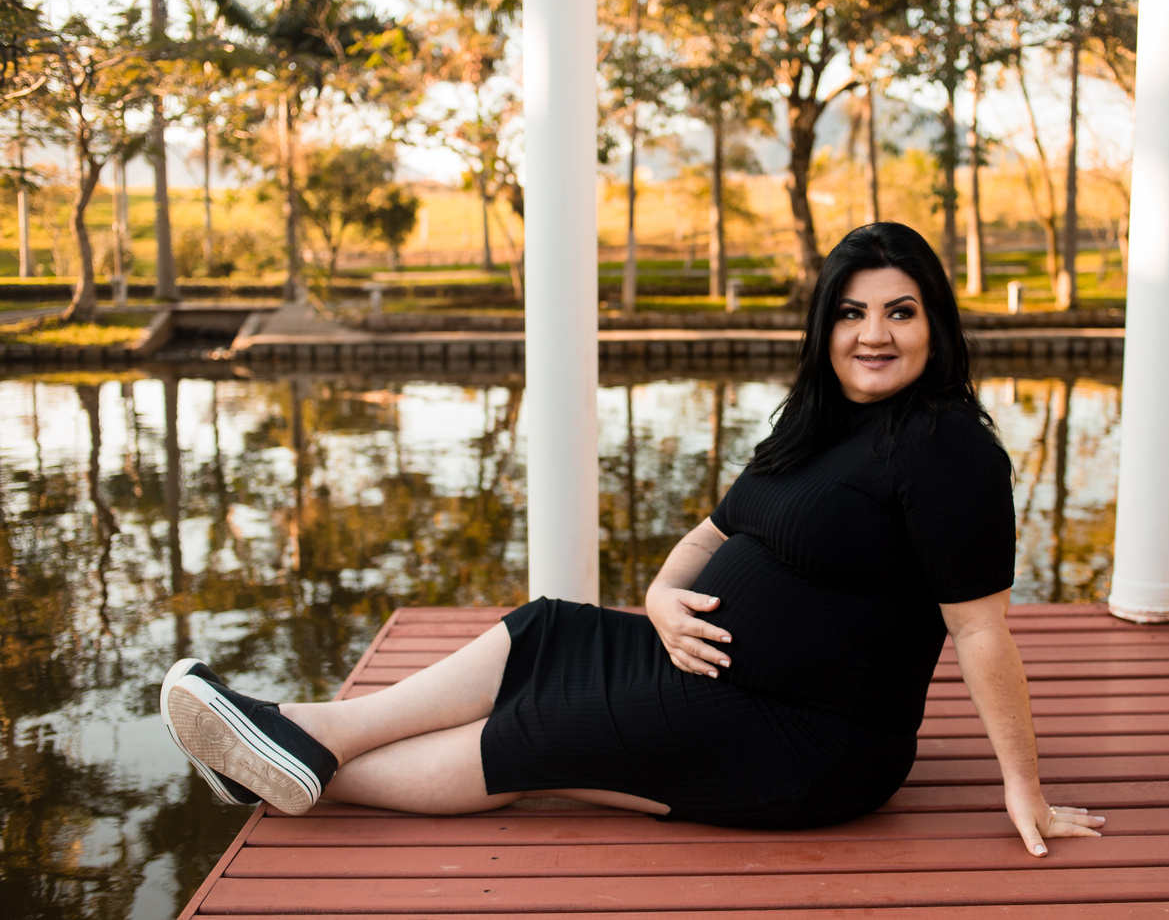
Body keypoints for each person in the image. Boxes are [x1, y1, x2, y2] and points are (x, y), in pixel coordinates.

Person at [161, 222, 1103, 855]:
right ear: (825, 326)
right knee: (548, 629)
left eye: (900, 311)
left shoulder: (947, 449)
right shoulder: (817, 427)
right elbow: (709, 533)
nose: (874, 334)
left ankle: (292, 766)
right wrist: (657, 599)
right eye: (853, 312)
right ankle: (310, 737)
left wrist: (1022, 786)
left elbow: (981, 631)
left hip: (807, 741)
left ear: (935, 323)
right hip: (710, 675)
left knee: (537, 734)